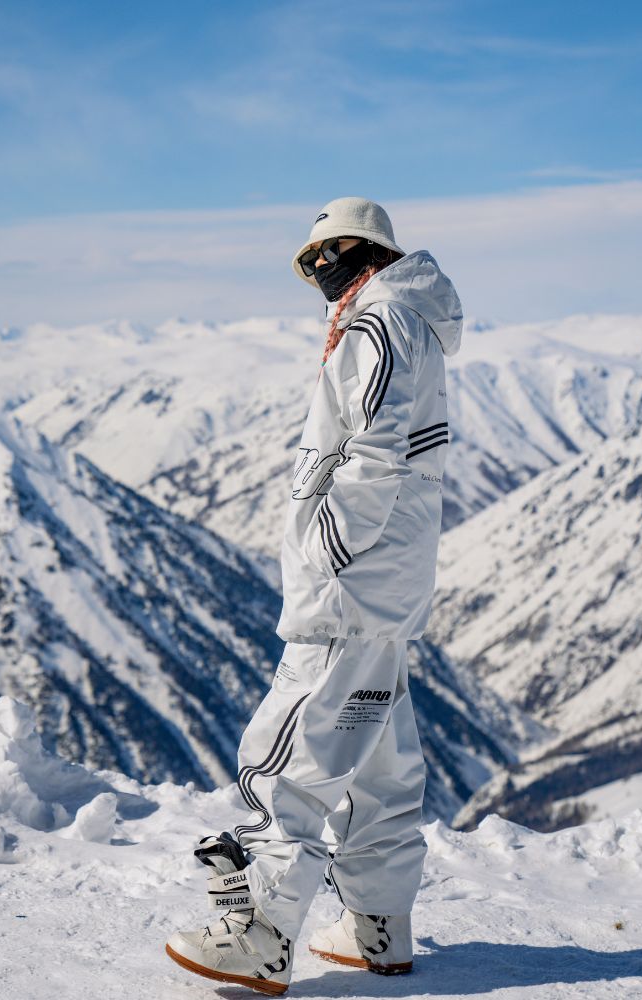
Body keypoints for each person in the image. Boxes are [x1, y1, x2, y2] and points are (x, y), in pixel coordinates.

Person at [165, 196, 464, 995]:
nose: (315, 273)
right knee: (379, 758)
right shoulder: (406, 318)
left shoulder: (380, 319)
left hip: (353, 579)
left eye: (320, 256)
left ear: (358, 249)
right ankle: (377, 925)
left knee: (294, 749)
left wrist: (331, 544)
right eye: (307, 264)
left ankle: (258, 929)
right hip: (389, 577)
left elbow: (373, 440)